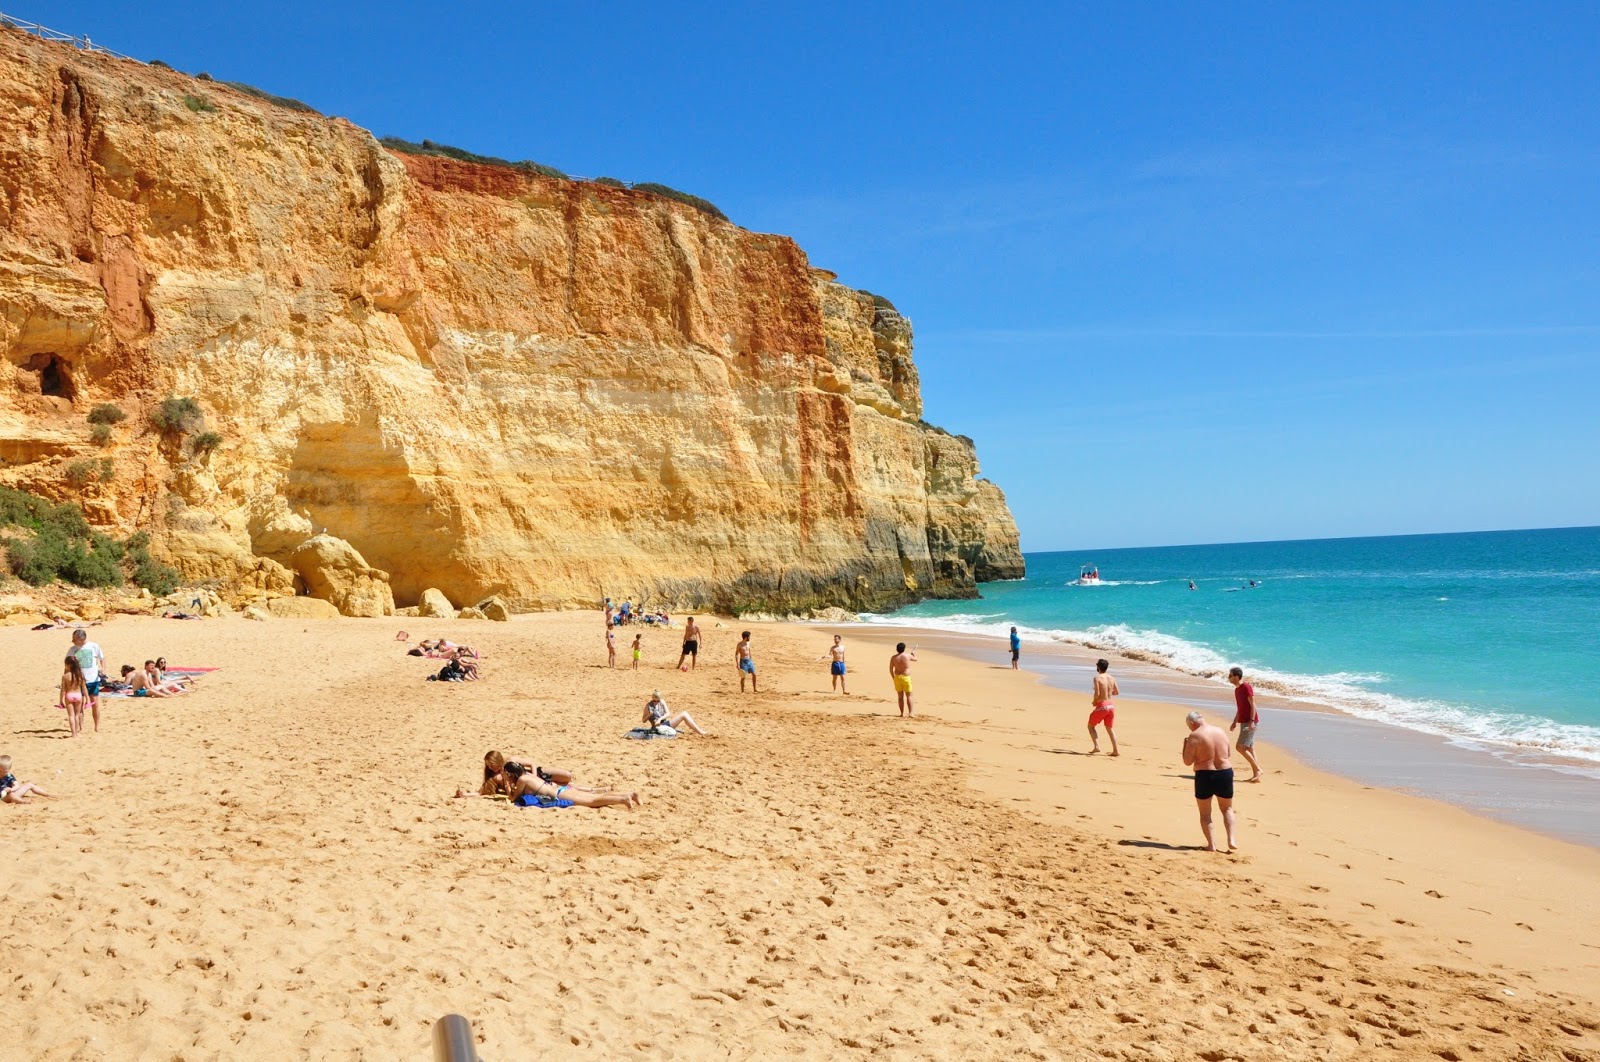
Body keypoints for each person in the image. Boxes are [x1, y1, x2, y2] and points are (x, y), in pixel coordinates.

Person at [1182, 710, 1237, 852]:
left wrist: (1185, 745)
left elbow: (1187, 761)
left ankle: (1211, 845)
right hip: (1225, 773)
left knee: (1205, 814)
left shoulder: (1195, 735)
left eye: (1190, 726)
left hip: (1205, 774)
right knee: (1227, 809)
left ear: (1192, 723)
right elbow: (1228, 753)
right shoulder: (1220, 731)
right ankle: (1231, 839)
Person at [503, 761, 639, 809]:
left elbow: (514, 798)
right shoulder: (529, 776)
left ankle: (623, 799)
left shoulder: (522, 780)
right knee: (592, 797)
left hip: (559, 794)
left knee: (592, 801)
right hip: (560, 790)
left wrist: (508, 786)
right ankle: (629, 795)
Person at [1227, 666, 1262, 782]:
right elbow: (1240, 708)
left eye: (1231, 676)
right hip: (1244, 721)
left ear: (1237, 677)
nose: (1229, 678)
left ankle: (1258, 769)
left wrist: (1252, 722)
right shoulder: (1237, 690)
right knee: (1249, 747)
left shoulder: (1246, 687)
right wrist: (1234, 722)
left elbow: (1253, 705)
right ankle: (1256, 774)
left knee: (1240, 747)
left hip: (1250, 721)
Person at [69, 628, 105, 733]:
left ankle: (96, 726)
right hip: (78, 681)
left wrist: (103, 670)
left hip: (92, 680)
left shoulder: (94, 646)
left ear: (82, 639)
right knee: (79, 705)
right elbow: (67, 664)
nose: (73, 641)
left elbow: (102, 658)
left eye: (75, 639)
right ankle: (80, 727)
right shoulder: (72, 649)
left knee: (95, 703)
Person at [1088, 658, 1120, 756]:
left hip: (1102, 706)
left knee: (1091, 726)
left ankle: (1097, 747)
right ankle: (1115, 750)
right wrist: (1107, 693)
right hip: (1111, 706)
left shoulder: (1097, 678)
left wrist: (1094, 701)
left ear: (1098, 667)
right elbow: (1117, 692)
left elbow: (1097, 693)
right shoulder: (1112, 678)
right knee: (1109, 729)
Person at [642, 691, 707, 735]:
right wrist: (649, 714)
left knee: (684, 713)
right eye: (654, 701)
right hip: (658, 728)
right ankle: (700, 732)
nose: (656, 702)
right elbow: (643, 720)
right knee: (684, 715)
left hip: (665, 724)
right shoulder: (648, 706)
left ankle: (699, 731)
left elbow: (668, 713)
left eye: (658, 701)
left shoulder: (662, 702)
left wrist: (660, 719)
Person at [57, 655, 88, 738]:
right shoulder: (80, 675)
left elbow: (63, 690)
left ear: (69, 665)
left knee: (71, 716)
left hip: (69, 695)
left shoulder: (65, 676)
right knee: (77, 716)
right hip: (78, 695)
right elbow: (84, 688)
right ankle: (77, 733)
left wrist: (60, 701)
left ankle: (73, 734)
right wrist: (87, 699)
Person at [889, 642, 917, 717]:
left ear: (896, 649)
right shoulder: (907, 656)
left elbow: (891, 669)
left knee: (900, 696)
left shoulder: (893, 657)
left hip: (897, 677)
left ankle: (902, 713)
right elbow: (915, 659)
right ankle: (910, 713)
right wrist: (913, 653)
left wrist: (893, 678)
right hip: (906, 677)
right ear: (904, 649)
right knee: (909, 696)